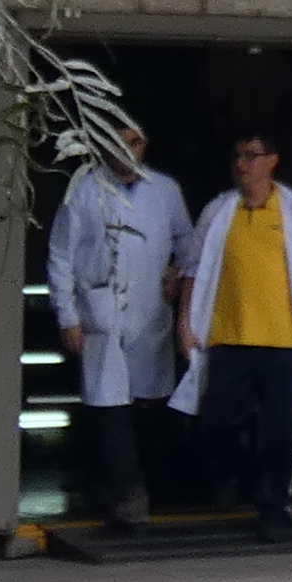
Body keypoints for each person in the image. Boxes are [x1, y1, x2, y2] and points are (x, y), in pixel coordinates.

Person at [164, 130, 292, 540]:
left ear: (272, 161)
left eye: (251, 156)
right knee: (219, 421)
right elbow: (193, 268)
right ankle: (235, 471)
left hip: (285, 342)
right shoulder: (218, 210)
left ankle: (273, 507)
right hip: (229, 338)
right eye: (237, 157)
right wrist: (185, 323)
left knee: (281, 427)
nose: (242, 164)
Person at [45, 113, 190, 533]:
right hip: (99, 317)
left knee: (148, 408)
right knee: (109, 409)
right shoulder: (84, 190)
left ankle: (133, 488)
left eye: (135, 141)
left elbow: (189, 245)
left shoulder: (165, 191)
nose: (126, 150)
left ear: (145, 145)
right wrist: (68, 316)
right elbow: (60, 256)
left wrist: (178, 275)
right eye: (118, 141)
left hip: (150, 315)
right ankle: (128, 500)